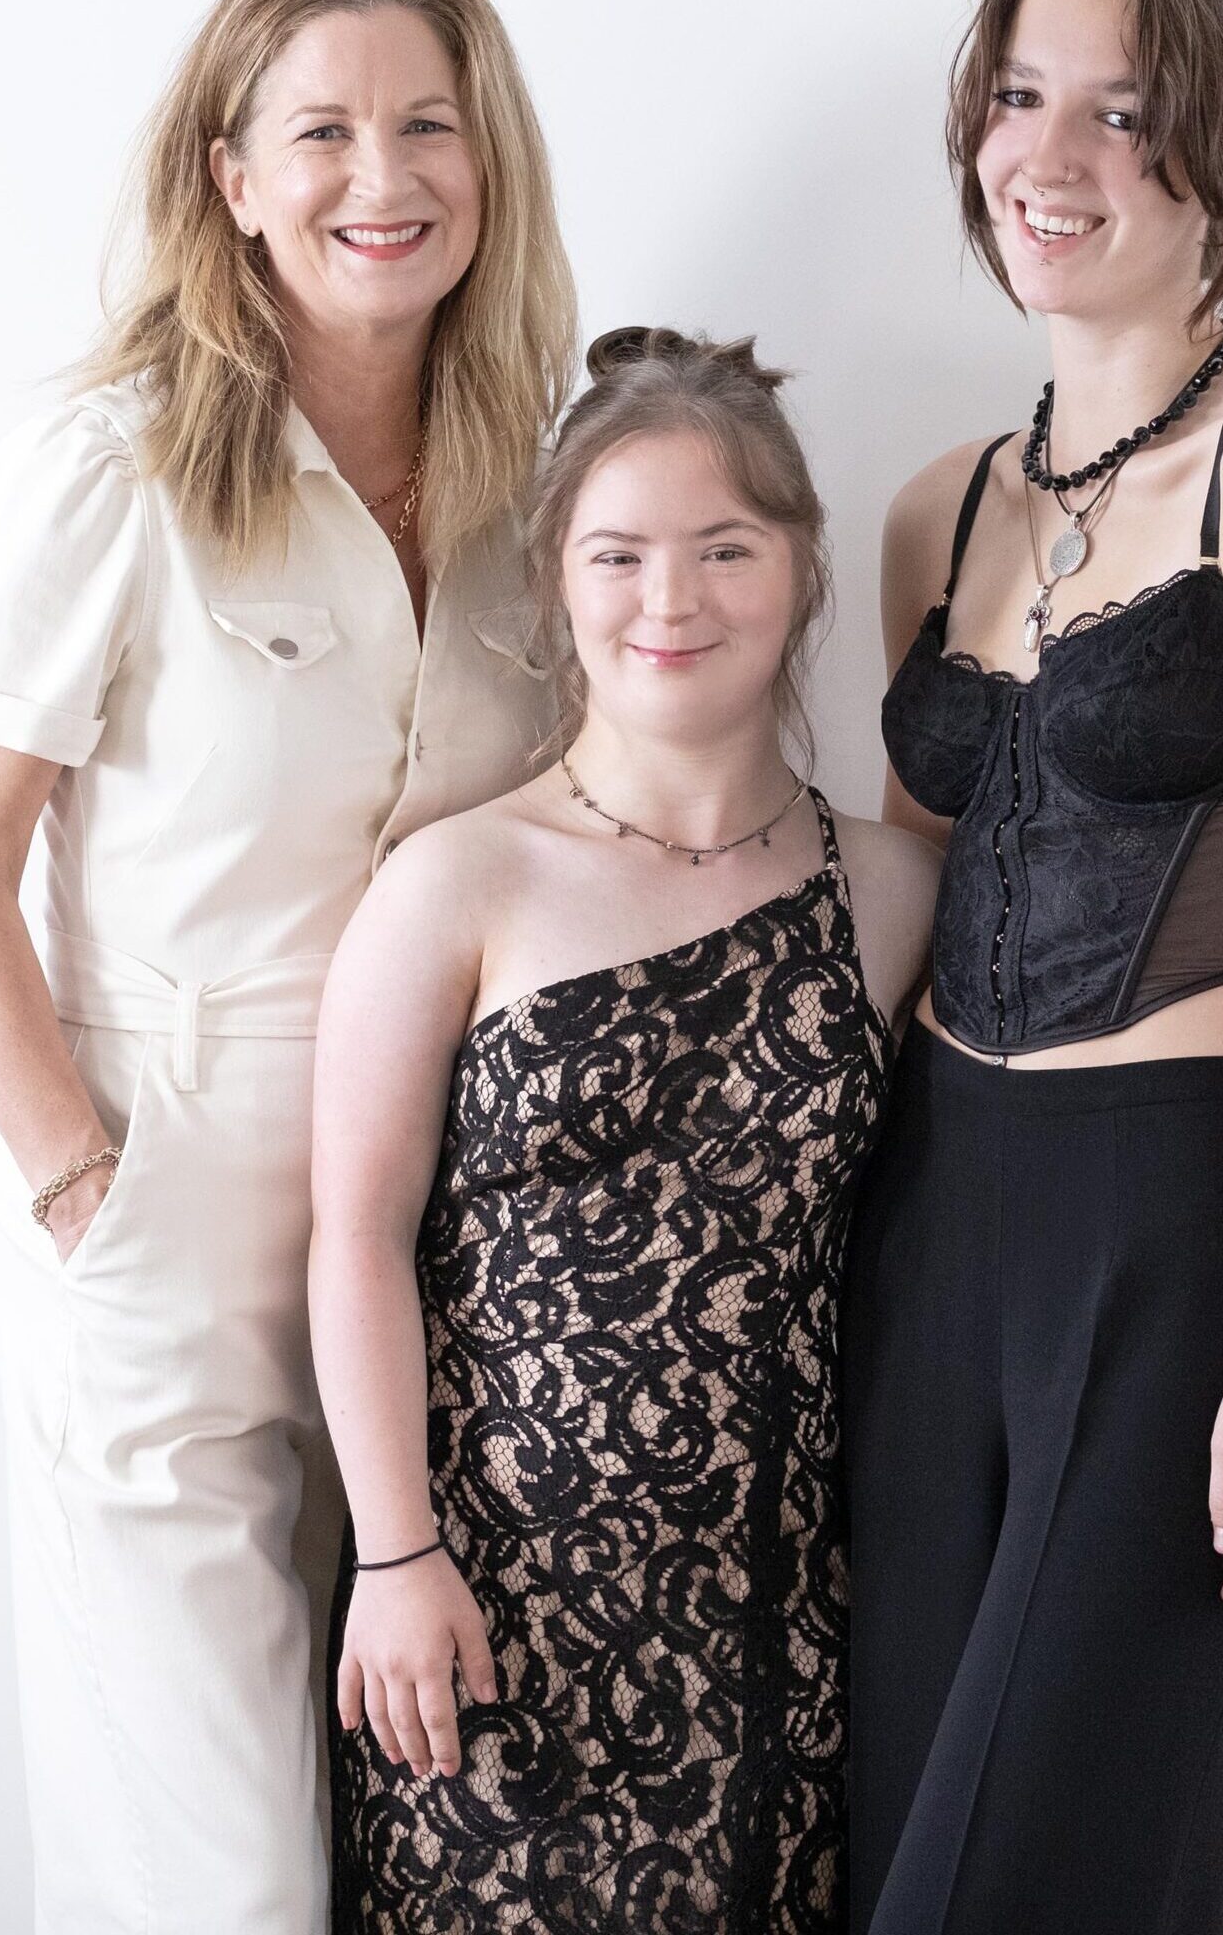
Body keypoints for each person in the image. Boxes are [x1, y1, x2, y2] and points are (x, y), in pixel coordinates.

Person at [0, 0, 575, 1934]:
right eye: (323, 132)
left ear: (488, 162)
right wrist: (80, 1191)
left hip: (447, 1232)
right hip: (166, 1196)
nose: (383, 175)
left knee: (413, 1841)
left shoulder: (525, 487)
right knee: (216, 1871)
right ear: (234, 177)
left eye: (427, 125)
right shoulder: (107, 468)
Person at [843, 0, 1223, 1935]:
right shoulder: (935, 509)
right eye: (1018, 96)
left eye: (1119, 109)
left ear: (1220, 154)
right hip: (929, 1223)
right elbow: (908, 874)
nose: (1047, 154)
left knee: (1045, 1877)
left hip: (1170, 1236)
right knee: (891, 1844)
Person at [309, 329, 939, 1933]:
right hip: (476, 1629)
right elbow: (356, 1234)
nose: (673, 599)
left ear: (798, 569)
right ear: (557, 577)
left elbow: (1061, 1036)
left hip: (775, 1641)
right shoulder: (458, 879)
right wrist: (394, 1554)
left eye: (726, 548)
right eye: (620, 553)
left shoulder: (890, 894)